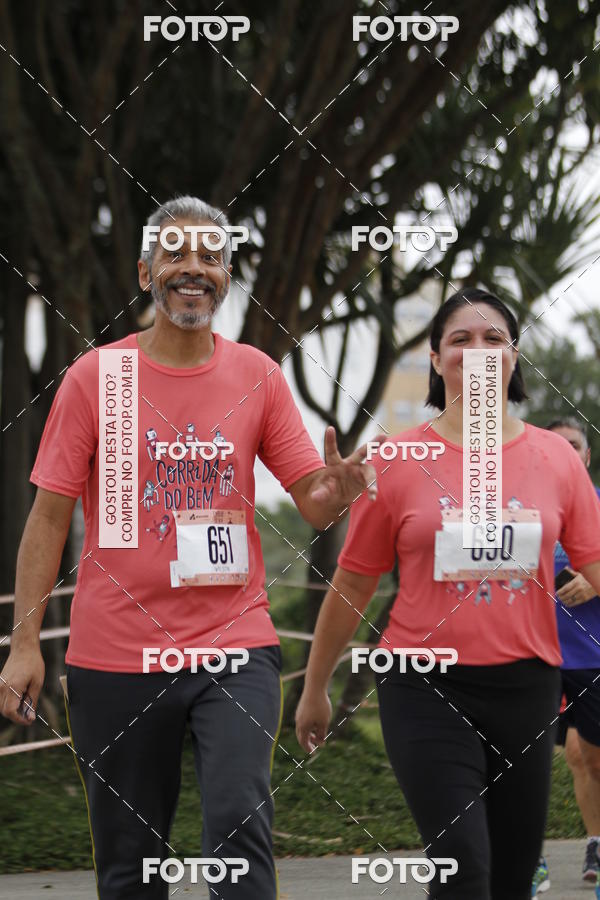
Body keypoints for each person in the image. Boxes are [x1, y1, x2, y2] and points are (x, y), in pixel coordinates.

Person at [0, 195, 379, 900]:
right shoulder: (100, 379)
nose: (193, 268)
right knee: (130, 867)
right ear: (146, 274)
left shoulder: (257, 376)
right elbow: (49, 518)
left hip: (232, 642)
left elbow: (313, 501)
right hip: (115, 651)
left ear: (227, 277)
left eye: (210, 256)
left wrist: (344, 487)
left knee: (239, 824)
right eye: (175, 253)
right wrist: (25, 642)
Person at [295, 287, 600, 900]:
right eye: (460, 339)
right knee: (462, 867)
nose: (478, 350)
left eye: (494, 338)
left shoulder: (555, 459)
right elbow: (355, 582)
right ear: (436, 360)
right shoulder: (398, 459)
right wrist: (315, 687)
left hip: (527, 685)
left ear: (514, 358)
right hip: (423, 684)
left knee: (512, 880)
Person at [532, 418, 600, 894]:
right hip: (532, 656)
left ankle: (596, 841)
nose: (567, 453)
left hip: (592, 657)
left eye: (574, 446)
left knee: (589, 757)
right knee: (521, 756)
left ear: (587, 455)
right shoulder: (527, 512)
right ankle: (527, 855)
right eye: (557, 446)